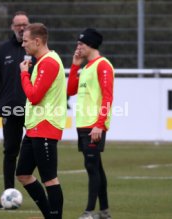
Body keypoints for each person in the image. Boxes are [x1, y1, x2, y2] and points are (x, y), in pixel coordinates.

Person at [16, 23, 67, 219]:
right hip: (34, 127)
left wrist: (23, 74)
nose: (23, 45)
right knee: (22, 174)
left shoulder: (49, 63)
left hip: (45, 126)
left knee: (50, 180)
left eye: (26, 41)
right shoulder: (43, 61)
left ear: (37, 41)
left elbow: (34, 95)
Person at [67, 28, 114, 219]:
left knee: (91, 166)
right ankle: (104, 211)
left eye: (81, 44)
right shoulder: (86, 67)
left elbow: (107, 97)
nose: (78, 47)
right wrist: (74, 66)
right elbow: (70, 91)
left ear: (91, 45)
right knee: (96, 167)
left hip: (94, 126)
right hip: (83, 125)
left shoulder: (103, 65)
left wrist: (100, 125)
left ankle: (89, 212)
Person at [0, 11, 34, 209]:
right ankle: (7, 195)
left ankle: (40, 194)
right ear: (12, 27)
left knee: (37, 151)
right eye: (18, 25)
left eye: (24, 24)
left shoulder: (35, 49)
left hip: (33, 109)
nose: (21, 28)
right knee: (10, 152)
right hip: (10, 110)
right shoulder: (4, 50)